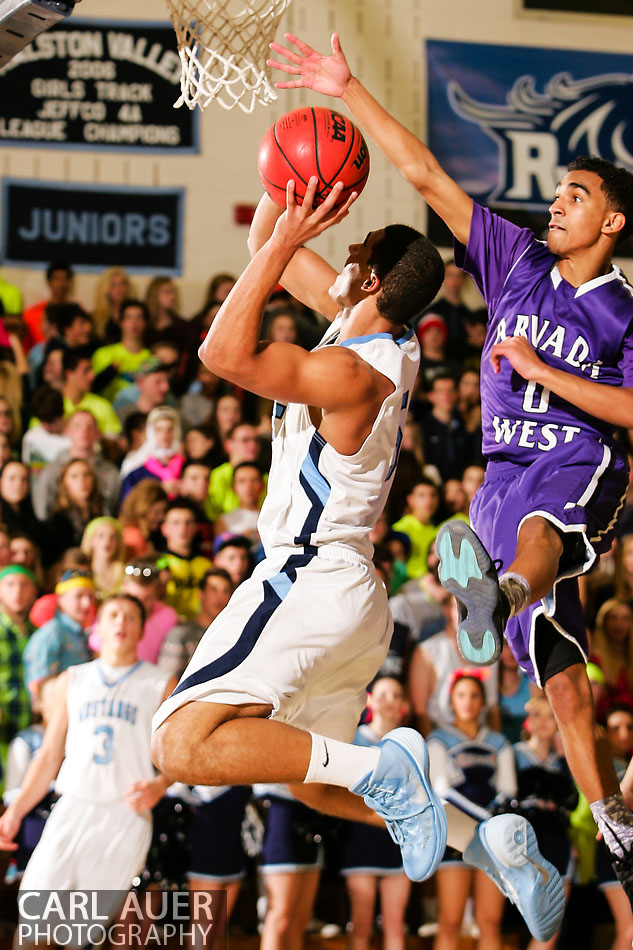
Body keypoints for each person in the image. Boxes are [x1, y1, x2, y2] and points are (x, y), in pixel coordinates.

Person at [268, 30, 633, 902]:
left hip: (577, 463)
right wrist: (347, 89)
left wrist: (546, 373)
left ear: (610, 222)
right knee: (560, 671)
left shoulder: (621, 310)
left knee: (537, 541)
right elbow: (428, 174)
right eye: (554, 191)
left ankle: (500, 590)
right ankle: (612, 814)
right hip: (501, 472)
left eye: (574, 196)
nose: (555, 204)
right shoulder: (514, 261)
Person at [151, 176, 563, 942]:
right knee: (304, 781)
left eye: (352, 249)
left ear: (368, 280)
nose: (336, 251)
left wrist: (279, 242)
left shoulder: (350, 373)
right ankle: (487, 845)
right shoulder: (373, 332)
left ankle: (387, 772)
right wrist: (287, 182)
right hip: (348, 593)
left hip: (307, 575)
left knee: (179, 744)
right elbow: (262, 249)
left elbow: (221, 350)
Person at [0, 594, 175, 929]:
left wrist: (160, 783)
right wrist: (15, 811)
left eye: (130, 617)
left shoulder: (160, 682)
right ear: (98, 627)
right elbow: (50, 754)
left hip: (126, 813)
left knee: (82, 931)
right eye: (113, 615)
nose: (121, 622)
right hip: (74, 805)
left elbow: (177, 754)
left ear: (142, 630)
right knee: (34, 919)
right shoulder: (74, 678)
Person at [428, 670, 516, 950]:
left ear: (483, 702)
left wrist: (488, 821)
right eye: (461, 695)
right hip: (454, 835)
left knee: (489, 922)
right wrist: (484, 818)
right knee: (450, 920)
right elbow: (441, 790)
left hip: (490, 839)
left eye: (475, 695)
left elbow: (509, 790)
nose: (468, 701)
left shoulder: (498, 742)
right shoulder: (438, 740)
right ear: (451, 700)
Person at [339, 676, 412, 950]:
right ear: (370, 699)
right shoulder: (354, 737)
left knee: (395, 923)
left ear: (403, 704)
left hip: (397, 838)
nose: (389, 700)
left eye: (396, 694)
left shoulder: (409, 741)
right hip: (360, 835)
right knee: (362, 922)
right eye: (383, 694)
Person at [23, 569, 94, 701]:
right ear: (60, 599)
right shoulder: (52, 633)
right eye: (79, 596)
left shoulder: (83, 634)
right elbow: (38, 686)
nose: (87, 603)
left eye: (90, 596)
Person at [157, 567, 233, 680]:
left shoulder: (233, 634)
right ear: (201, 594)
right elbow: (165, 683)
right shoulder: (180, 634)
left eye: (225, 591)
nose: (220, 597)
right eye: (213, 590)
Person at [0, 565, 38, 771]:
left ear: (33, 591)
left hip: (26, 726)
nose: (17, 592)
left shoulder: (38, 633)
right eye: (10, 584)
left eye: (24, 585)